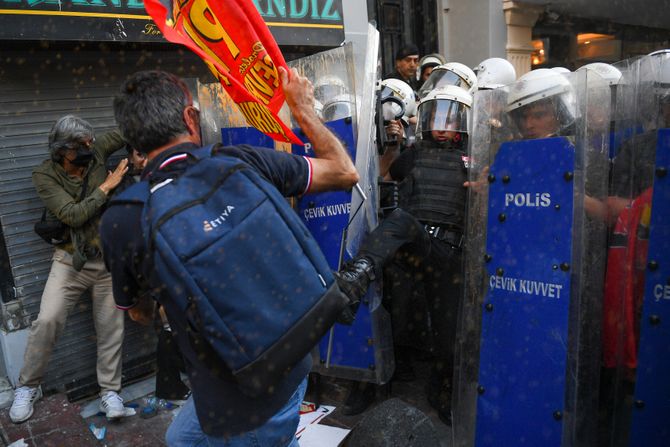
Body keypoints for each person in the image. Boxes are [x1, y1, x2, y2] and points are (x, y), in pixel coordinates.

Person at [100, 69, 358, 446]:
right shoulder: (242, 161)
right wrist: (302, 109)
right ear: (190, 118)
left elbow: (136, 311)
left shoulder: (124, 217)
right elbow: (344, 171)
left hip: (238, 397)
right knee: (180, 439)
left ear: (134, 141)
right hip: (294, 352)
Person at [336, 85, 474, 424]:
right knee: (401, 225)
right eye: (436, 116)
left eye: (450, 117)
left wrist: (484, 184)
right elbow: (382, 176)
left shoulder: (476, 156)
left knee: (448, 334)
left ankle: (443, 386)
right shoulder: (415, 152)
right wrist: (394, 143)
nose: (442, 125)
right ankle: (358, 274)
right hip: (413, 245)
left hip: (451, 254)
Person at [9, 116, 128, 423]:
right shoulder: (44, 175)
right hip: (69, 261)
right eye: (82, 144)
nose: (90, 146)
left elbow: (130, 131)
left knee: (111, 329)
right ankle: (27, 386)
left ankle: (110, 392)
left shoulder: (97, 150)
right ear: (64, 150)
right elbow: (73, 215)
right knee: (47, 321)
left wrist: (140, 152)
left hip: (107, 260)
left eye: (90, 140)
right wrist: (107, 185)